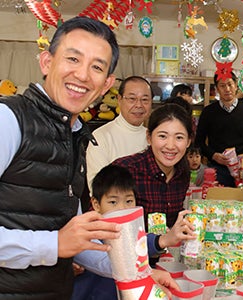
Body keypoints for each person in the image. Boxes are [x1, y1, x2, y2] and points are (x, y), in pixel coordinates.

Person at [0, 16, 122, 298]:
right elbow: (61, 241)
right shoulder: (9, 119)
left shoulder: (74, 135)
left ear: (106, 84)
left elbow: (74, 239)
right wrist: (54, 244)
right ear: (46, 62)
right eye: (73, 59)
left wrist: (138, 270)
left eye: (96, 67)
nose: (82, 75)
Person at [72, 165, 195, 300]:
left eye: (129, 201)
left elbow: (141, 243)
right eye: (113, 202)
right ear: (96, 204)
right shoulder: (90, 233)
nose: (122, 208)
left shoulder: (131, 231)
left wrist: (164, 239)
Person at [113, 104, 192, 227]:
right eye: (162, 136)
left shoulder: (182, 172)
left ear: (188, 142)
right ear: (149, 138)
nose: (170, 146)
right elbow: (102, 221)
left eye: (179, 137)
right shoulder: (124, 170)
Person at [195, 71, 243, 187]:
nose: (227, 89)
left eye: (230, 84)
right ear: (216, 89)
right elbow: (199, 141)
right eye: (222, 86)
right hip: (217, 168)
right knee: (218, 202)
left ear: (236, 86)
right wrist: (213, 155)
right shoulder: (208, 112)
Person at [86, 76, 152, 189]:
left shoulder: (153, 137)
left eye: (145, 99)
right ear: (119, 100)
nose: (139, 105)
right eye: (132, 99)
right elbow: (97, 187)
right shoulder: (101, 136)